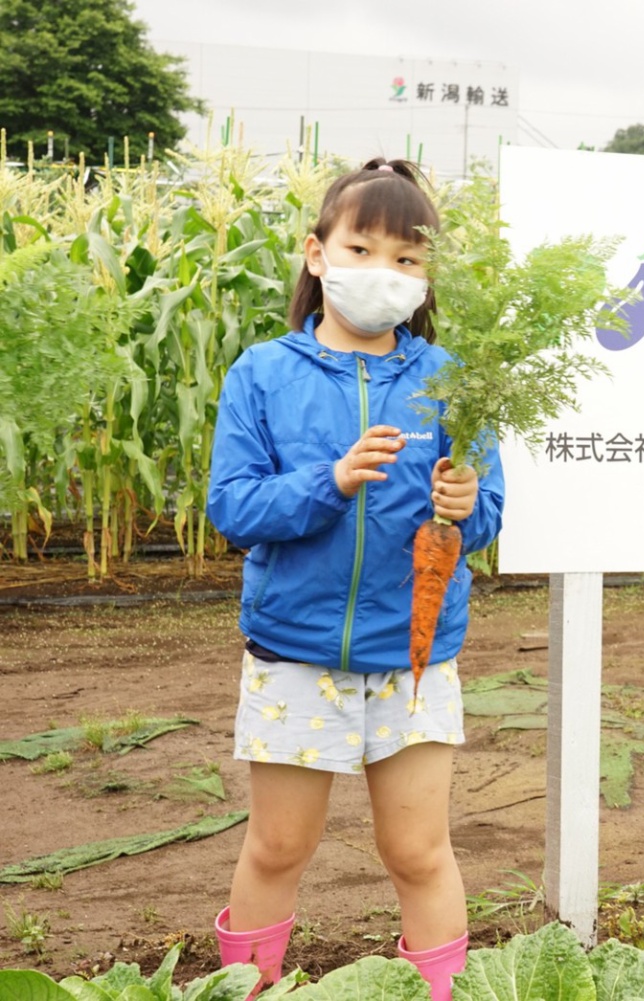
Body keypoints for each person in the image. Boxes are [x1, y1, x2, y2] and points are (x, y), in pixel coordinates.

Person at [206, 157, 504, 1000]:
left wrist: (465, 500)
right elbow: (232, 506)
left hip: (413, 661)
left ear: (426, 275)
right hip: (296, 654)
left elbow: (486, 521)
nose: (384, 273)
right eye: (362, 248)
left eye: (407, 259)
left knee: (419, 851)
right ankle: (246, 989)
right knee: (277, 847)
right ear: (317, 252)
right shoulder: (263, 374)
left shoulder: (451, 382)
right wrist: (329, 481)